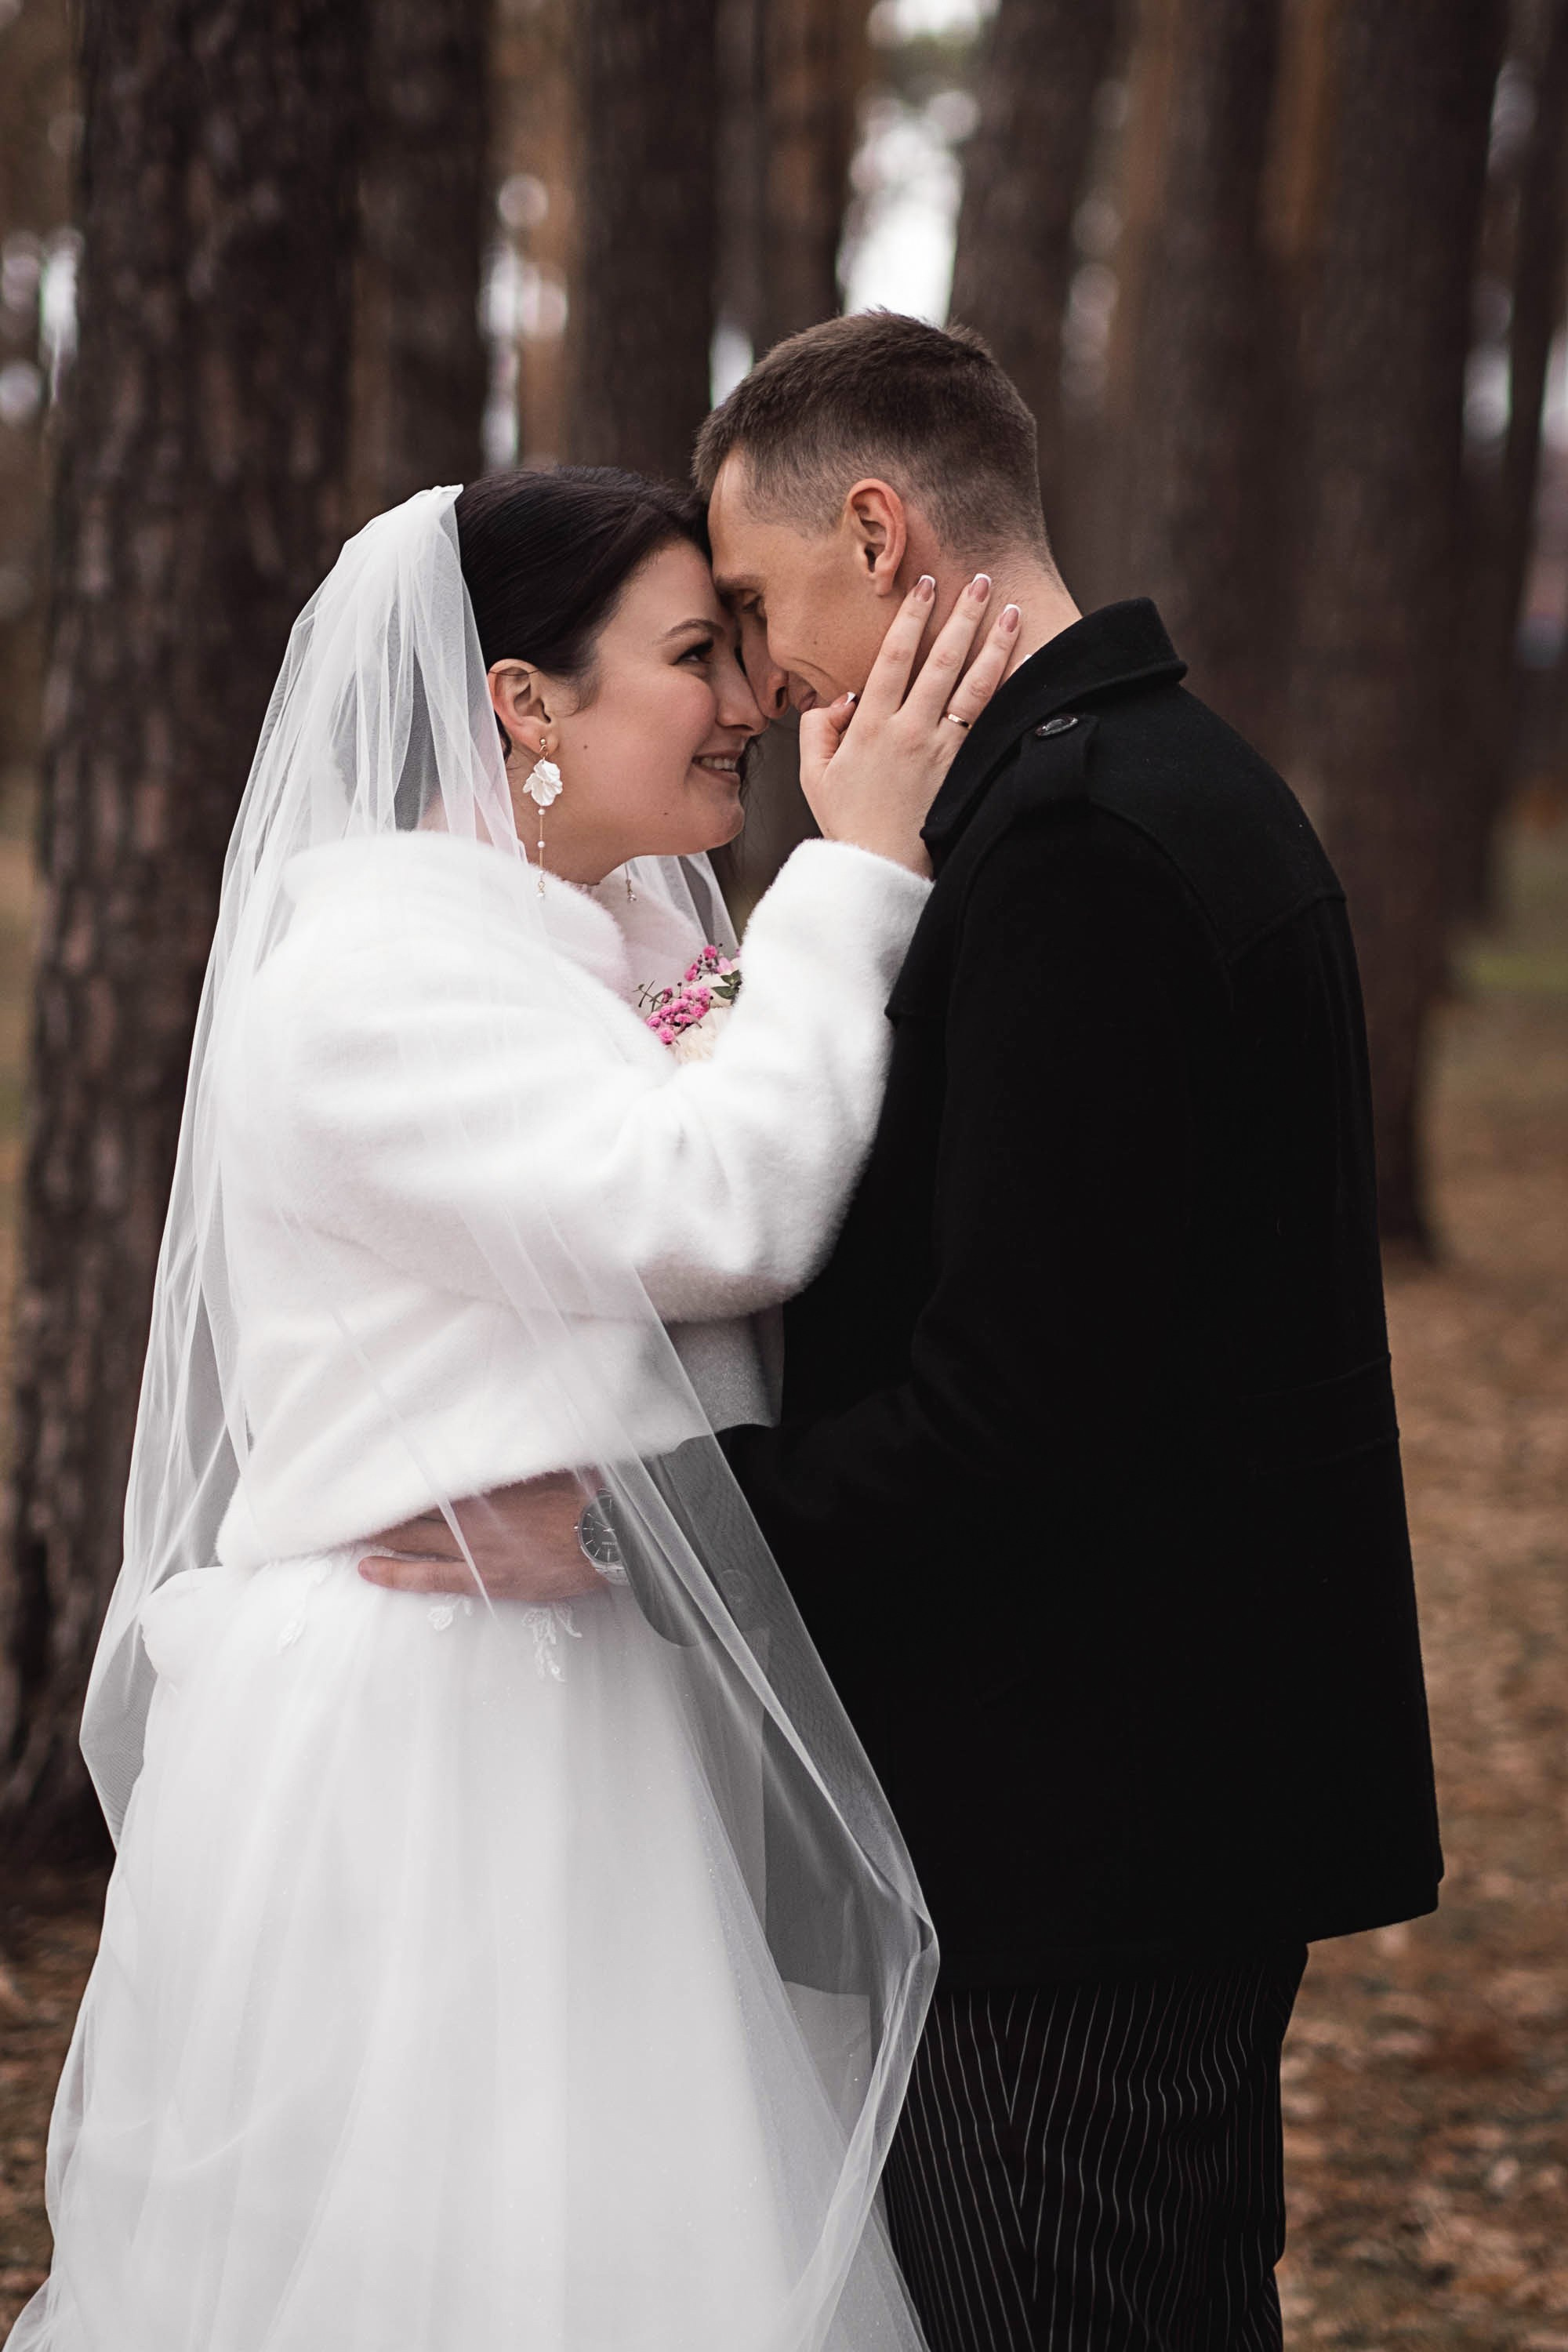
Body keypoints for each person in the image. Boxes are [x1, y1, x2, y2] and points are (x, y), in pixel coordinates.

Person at [379, 314, 1444, 2350]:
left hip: (1083, 1837)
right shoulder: (1145, 787)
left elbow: (1005, 1420)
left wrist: (627, 1533)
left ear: (880, 530)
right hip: (1143, 1804)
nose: (766, 695)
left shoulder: (1078, 856)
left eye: (765, 613)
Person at [9, 467, 1020, 2352]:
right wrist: (862, 874)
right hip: (442, 1740)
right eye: (692, 655)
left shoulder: (595, 935)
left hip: (597, 1667)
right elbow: (717, 1203)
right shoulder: (373, 980)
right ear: (522, 703)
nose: (744, 701)